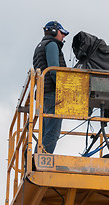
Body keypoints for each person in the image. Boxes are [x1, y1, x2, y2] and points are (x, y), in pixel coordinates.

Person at [33, 20, 69, 153]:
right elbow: (54, 70)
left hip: (43, 94)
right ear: (54, 31)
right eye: (62, 33)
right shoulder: (52, 45)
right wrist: (65, 88)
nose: (63, 36)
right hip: (52, 94)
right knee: (52, 132)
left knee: (45, 131)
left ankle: (37, 159)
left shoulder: (40, 46)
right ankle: (43, 159)